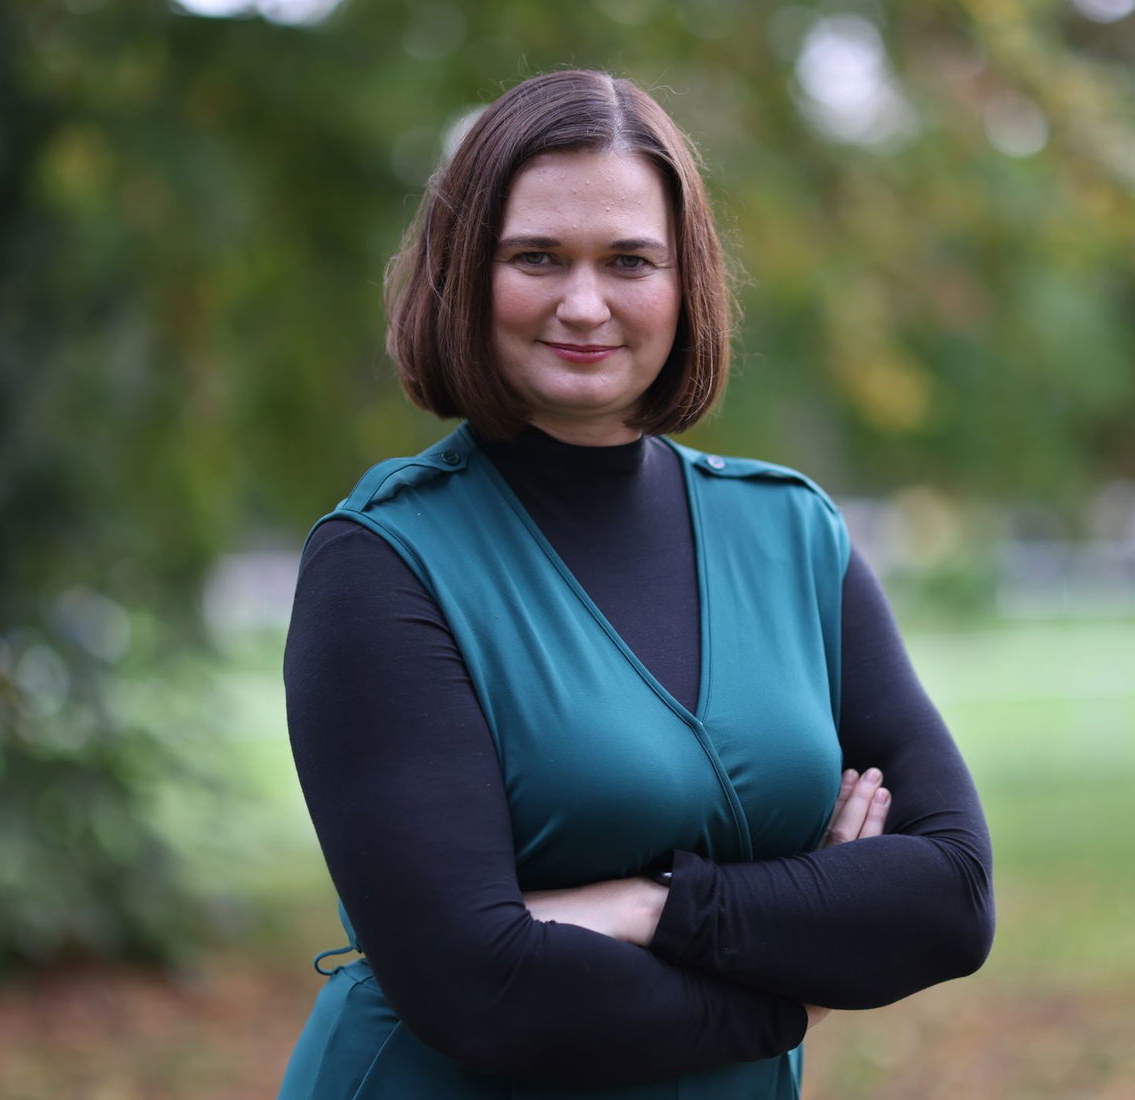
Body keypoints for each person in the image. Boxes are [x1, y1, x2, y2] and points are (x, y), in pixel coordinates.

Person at [277, 69, 993, 1099]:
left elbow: (950, 896)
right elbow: (479, 986)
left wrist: (652, 905)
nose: (582, 302)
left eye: (628, 260)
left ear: (682, 282)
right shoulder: (383, 561)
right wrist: (795, 980)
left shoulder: (790, 532)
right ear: (465, 274)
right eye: (535, 257)